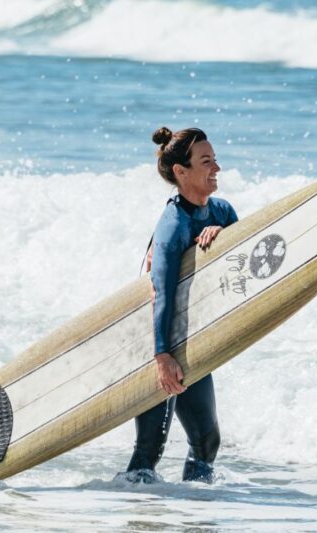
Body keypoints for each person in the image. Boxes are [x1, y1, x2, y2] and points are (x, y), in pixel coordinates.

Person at [125, 126, 238, 484]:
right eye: (207, 161)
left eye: (215, 159)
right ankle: (138, 515)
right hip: (160, 346)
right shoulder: (173, 226)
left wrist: (223, 237)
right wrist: (161, 357)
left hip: (191, 342)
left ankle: (194, 513)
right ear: (181, 171)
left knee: (207, 441)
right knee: (149, 449)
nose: (217, 167)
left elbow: (244, 262)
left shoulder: (221, 212)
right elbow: (161, 293)